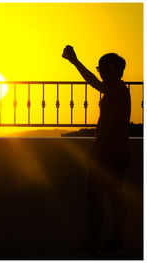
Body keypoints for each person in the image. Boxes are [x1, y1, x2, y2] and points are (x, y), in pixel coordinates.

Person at [62, 46, 131, 253]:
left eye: (101, 68)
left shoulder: (116, 91)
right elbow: (95, 83)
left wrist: (95, 151)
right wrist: (75, 62)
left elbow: (109, 125)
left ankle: (97, 242)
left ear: (111, 70)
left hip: (108, 153)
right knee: (113, 196)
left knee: (97, 198)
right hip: (118, 152)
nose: (99, 71)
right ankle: (115, 240)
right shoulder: (118, 89)